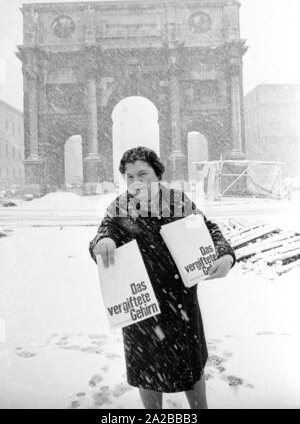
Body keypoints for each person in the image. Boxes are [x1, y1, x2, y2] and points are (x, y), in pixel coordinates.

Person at [89, 146, 236, 409]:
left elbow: (208, 230)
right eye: (130, 177)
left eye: (142, 174)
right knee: (147, 372)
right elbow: (103, 233)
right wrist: (104, 241)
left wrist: (225, 255)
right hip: (141, 307)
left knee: (191, 369)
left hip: (180, 305)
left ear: (157, 174)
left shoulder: (178, 202)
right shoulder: (121, 207)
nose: (136, 182)